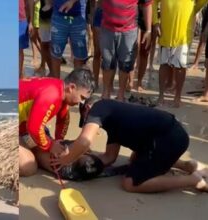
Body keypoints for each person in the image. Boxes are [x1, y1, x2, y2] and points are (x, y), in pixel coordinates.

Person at [52, 98, 208, 193]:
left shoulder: (98, 108)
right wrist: (84, 158)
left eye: (86, 120)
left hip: (169, 140)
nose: (88, 123)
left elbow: (84, 141)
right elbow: (109, 158)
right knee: (134, 159)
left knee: (130, 183)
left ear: (87, 108)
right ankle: (188, 165)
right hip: (173, 135)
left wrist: (66, 159)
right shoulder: (113, 115)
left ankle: (192, 180)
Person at [19, 68, 95, 177]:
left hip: (24, 126)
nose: (81, 102)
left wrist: (59, 141)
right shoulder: (52, 94)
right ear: (72, 88)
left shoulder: (61, 92)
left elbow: (63, 121)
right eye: (81, 98)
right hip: (8, 124)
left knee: (52, 154)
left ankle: (32, 150)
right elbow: (34, 128)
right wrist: (50, 145)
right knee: (28, 167)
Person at [154, 0, 208, 107]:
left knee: (180, 66)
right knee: (164, 65)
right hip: (165, 33)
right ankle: (161, 96)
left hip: (183, 35)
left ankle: (177, 97)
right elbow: (153, 2)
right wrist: (155, 22)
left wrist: (193, 10)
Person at [100, 0, 152, 101]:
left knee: (125, 63)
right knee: (107, 62)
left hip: (129, 29)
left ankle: (121, 94)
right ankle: (106, 93)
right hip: (107, 28)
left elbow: (147, 4)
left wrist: (149, 30)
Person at [50, 0, 94, 78]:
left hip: (78, 17)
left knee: (79, 56)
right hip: (58, 15)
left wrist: (72, 1)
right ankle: (56, 84)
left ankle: (77, 85)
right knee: (56, 54)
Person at [19, 0, 35, 79]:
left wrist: (31, 22)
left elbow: (30, 2)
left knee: (19, 50)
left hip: (21, 20)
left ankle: (19, 76)